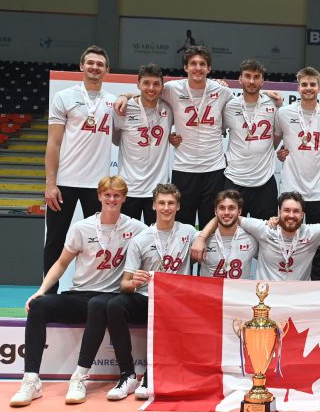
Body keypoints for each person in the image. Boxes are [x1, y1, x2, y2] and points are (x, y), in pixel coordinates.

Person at [10, 176, 146, 407]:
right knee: (39, 306)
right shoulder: (81, 227)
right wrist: (41, 290)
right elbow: (62, 263)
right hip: (80, 295)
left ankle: (79, 376)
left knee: (98, 303)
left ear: (124, 198)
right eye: (107, 195)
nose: (111, 199)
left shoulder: (137, 228)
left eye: (117, 195)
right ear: (99, 196)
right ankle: (31, 379)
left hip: (111, 299)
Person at [115, 45, 234, 228]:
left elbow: (247, 100)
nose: (198, 68)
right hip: (184, 168)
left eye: (202, 64)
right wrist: (125, 95)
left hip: (214, 168)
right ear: (185, 67)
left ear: (209, 68)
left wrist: (268, 94)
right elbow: (148, 91)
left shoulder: (222, 91)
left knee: (210, 225)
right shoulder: (171, 89)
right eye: (193, 63)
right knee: (182, 227)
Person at [115, 183, 198, 400]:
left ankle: (150, 375)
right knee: (113, 306)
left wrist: (201, 239)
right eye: (161, 203)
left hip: (175, 300)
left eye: (171, 203)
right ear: (153, 205)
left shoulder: (189, 232)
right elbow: (123, 284)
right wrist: (134, 281)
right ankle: (128, 373)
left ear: (178, 206)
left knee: (167, 308)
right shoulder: (140, 239)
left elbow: (216, 223)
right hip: (145, 297)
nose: (166, 208)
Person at [192, 191, 320, 282]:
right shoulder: (264, 229)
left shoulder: (312, 232)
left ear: (302, 215)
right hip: (264, 298)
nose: (291, 215)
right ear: (279, 213)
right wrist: (201, 238)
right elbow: (227, 216)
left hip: (298, 300)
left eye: (296, 211)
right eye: (286, 211)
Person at [44, 45, 116, 294]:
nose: (95, 67)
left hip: (98, 186)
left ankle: (92, 295)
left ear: (107, 70)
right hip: (65, 182)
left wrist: (127, 98)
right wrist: (50, 184)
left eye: (100, 64)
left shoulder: (112, 102)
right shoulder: (64, 97)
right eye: (91, 63)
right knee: (55, 241)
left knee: (99, 244)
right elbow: (53, 143)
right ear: (82, 66)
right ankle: (47, 296)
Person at [274, 67, 320, 280]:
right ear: (298, 87)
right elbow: (274, 144)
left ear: (319, 88)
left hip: (319, 192)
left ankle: (317, 291)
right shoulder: (283, 114)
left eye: (312, 84)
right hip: (290, 191)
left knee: (319, 248)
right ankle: (287, 286)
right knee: (286, 243)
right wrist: (280, 153)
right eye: (304, 84)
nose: (308, 88)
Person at [112, 64, 174, 223]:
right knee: (127, 242)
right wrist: (125, 96)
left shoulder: (169, 109)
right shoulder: (123, 108)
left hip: (158, 190)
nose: (151, 88)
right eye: (146, 83)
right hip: (129, 188)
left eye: (156, 84)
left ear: (162, 86)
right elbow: (115, 140)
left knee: (155, 242)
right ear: (138, 84)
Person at [222, 59, 280, 220]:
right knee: (231, 231)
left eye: (257, 77)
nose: (252, 81)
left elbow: (282, 132)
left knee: (266, 234)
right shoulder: (229, 106)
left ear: (263, 81)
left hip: (265, 181)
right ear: (240, 79)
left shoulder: (274, 104)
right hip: (234, 179)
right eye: (247, 76)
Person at [197, 190, 258, 279]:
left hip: (238, 292)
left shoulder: (251, 240)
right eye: (222, 208)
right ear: (215, 211)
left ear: (239, 211)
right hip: (210, 292)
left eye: (231, 208)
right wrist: (200, 239)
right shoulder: (200, 240)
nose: (226, 212)